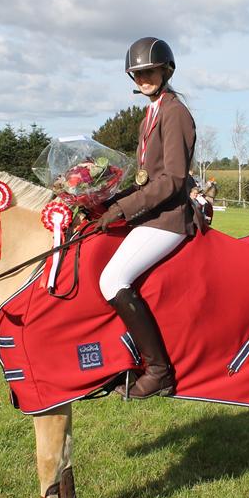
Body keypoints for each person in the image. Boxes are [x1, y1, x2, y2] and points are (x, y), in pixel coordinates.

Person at [96, 36, 197, 398]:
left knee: (112, 279)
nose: (143, 79)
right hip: (150, 214)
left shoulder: (175, 113)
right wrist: (104, 200)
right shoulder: (150, 114)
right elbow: (145, 177)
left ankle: (159, 372)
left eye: (149, 72)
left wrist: (123, 209)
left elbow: (172, 179)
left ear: (166, 70)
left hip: (168, 219)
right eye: (137, 74)